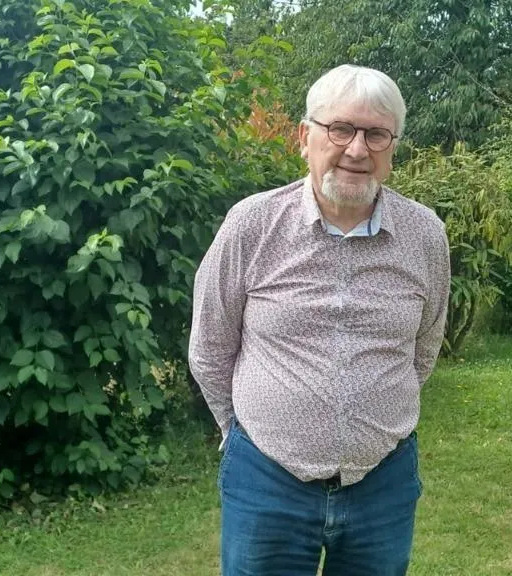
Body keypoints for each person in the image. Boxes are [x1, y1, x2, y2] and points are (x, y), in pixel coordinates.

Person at [187, 64, 451, 575]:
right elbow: (210, 347)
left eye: (376, 134)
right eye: (341, 129)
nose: (358, 149)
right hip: (266, 479)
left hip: (383, 482)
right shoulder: (253, 224)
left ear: (393, 147)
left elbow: (424, 348)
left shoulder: (424, 235)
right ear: (305, 137)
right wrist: (242, 431)